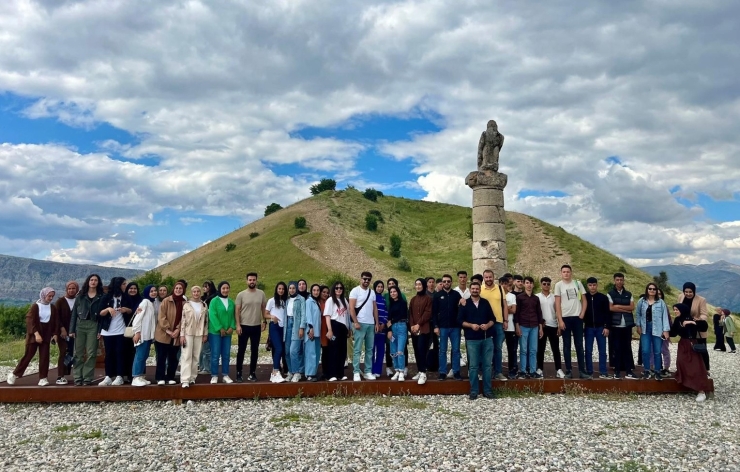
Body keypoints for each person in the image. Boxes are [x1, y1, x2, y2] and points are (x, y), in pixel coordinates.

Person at [7, 287, 58, 386]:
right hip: (34, 335)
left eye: (52, 296)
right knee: (28, 355)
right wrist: (36, 334)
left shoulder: (53, 308)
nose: (51, 298)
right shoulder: (35, 306)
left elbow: (55, 321)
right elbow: (30, 320)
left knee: (44, 357)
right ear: (44, 295)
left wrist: (55, 334)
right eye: (49, 296)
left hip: (46, 335)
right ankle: (14, 374)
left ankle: (43, 378)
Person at [457, 281, 495, 400]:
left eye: (477, 288)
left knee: (487, 366)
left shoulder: (485, 303)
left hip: (486, 338)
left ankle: (487, 391)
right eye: (473, 288)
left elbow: (492, 319)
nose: (475, 290)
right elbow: (459, 321)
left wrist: (488, 326)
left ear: (480, 290)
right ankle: (474, 391)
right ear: (470, 290)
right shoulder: (465, 304)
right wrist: (471, 325)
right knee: (473, 366)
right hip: (472, 339)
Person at [670, 303, 713, 402]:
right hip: (682, 344)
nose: (675, 312)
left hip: (691, 344)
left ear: (682, 310)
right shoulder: (677, 320)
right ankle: (687, 383)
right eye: (674, 310)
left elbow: (704, 327)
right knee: (681, 362)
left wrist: (693, 322)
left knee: (695, 366)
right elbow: (673, 332)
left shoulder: (691, 318)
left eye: (677, 310)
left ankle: (701, 391)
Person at [69, 274, 105, 386]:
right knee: (78, 353)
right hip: (80, 325)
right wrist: (71, 330)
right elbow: (74, 313)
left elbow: (102, 316)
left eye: (95, 280)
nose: (93, 282)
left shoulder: (101, 296)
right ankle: (78, 377)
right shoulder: (80, 296)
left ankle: (87, 378)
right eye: (91, 280)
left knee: (91, 353)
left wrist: (100, 330)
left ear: (98, 282)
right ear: (88, 281)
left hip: (93, 325)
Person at [554, 265, 588, 379]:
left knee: (579, 345)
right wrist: (560, 320)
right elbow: (557, 304)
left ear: (571, 273)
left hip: (577, 317)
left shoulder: (577, 283)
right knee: (566, 345)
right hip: (565, 318)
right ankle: (568, 370)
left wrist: (582, 313)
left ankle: (582, 371)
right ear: (561, 273)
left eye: (568, 272)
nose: (566, 274)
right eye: (564, 272)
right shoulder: (558, 285)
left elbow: (584, 300)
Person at [234, 272, 267, 382]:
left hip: (256, 326)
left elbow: (263, 308)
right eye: (250, 280)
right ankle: (239, 373)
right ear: (246, 281)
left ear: (256, 281)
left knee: (255, 350)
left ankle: (252, 373)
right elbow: (237, 311)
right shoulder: (241, 295)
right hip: (244, 326)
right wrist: (238, 325)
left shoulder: (261, 293)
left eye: (253, 280)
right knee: (241, 350)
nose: (252, 281)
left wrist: (264, 321)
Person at [97, 277, 129, 386]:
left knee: (120, 352)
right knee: (109, 354)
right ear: (118, 285)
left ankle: (120, 375)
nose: (125, 286)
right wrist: (108, 309)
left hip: (121, 330)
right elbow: (100, 313)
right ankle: (108, 376)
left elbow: (131, 310)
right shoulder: (106, 297)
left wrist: (126, 310)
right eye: (124, 284)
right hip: (108, 330)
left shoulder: (125, 297)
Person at [349, 272, 380, 381]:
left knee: (370, 349)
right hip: (360, 323)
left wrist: (377, 323)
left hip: (371, 323)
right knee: (357, 349)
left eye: (368, 279)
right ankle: (356, 372)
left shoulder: (372, 292)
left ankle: (367, 371)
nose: (366, 281)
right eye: (365, 279)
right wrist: (355, 322)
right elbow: (351, 308)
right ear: (361, 279)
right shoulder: (355, 291)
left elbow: (374, 308)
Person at [635, 283, 670, 380]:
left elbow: (664, 317)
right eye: (650, 288)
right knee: (645, 351)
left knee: (657, 351)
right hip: (645, 329)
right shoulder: (641, 301)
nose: (652, 290)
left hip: (657, 329)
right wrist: (638, 325)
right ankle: (646, 370)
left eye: (654, 289)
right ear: (647, 290)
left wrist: (665, 330)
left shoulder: (661, 302)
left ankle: (657, 371)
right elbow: (638, 314)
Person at [154, 281, 185, 385]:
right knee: (162, 357)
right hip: (163, 333)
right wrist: (168, 330)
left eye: (180, 288)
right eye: (176, 288)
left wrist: (177, 329)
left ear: (183, 290)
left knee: (173, 357)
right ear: (173, 289)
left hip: (176, 334)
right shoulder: (166, 301)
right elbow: (161, 317)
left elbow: (184, 319)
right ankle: (160, 377)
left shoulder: (185, 303)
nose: (178, 290)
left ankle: (170, 376)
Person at [433, 274, 463, 381]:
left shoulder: (456, 294)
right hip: (442, 327)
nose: (446, 283)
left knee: (456, 350)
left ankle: (456, 372)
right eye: (444, 281)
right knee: (442, 351)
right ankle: (442, 372)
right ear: (442, 283)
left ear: (451, 282)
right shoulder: (437, 295)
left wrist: (460, 323)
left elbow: (461, 309)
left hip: (455, 327)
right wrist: (436, 326)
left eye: (448, 281)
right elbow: (434, 312)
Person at [608, 273, 637, 380]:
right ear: (614, 281)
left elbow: (632, 307)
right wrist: (626, 309)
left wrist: (618, 306)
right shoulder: (610, 294)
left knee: (627, 348)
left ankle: (629, 371)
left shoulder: (628, 294)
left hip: (627, 325)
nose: (619, 282)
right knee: (616, 348)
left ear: (623, 281)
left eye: (621, 280)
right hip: (615, 325)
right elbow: (611, 308)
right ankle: (617, 372)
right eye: (617, 280)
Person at [479, 269, 507, 382]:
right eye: (486, 277)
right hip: (484, 323)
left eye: (490, 277)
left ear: (493, 277)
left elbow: (505, 305)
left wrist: (506, 320)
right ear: (483, 278)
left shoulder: (500, 289)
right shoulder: (479, 289)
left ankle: (498, 372)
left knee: (497, 348)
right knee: (483, 348)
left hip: (498, 322)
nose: (488, 279)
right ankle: (482, 372)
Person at [677, 282, 710, 375]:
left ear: (694, 291)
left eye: (690, 292)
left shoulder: (701, 300)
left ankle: (705, 369)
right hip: (686, 328)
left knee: (701, 348)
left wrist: (699, 319)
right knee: (687, 348)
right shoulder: (680, 297)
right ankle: (689, 369)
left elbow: (704, 314)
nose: (688, 294)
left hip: (697, 327)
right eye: (686, 291)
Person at [179, 286, 209, 388]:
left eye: (198, 291)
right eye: (194, 292)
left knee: (196, 356)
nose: (196, 293)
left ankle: (192, 377)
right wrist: (182, 335)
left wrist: (205, 333)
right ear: (191, 293)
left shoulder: (204, 305)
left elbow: (206, 321)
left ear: (200, 293)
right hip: (188, 332)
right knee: (187, 355)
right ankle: (185, 379)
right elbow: (183, 321)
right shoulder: (187, 305)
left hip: (199, 333)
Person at [515, 277, 543, 379]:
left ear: (533, 285)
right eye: (527, 283)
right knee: (523, 349)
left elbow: (539, 313)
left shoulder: (536, 298)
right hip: (523, 325)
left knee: (533, 350)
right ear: (524, 284)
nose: (529, 285)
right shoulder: (520, 297)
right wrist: (517, 326)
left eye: (531, 283)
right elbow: (517, 313)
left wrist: (540, 327)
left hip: (534, 326)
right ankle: (522, 371)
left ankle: (532, 371)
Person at [208, 281, 236, 384]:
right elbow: (212, 315)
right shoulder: (214, 301)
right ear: (220, 289)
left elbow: (233, 316)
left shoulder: (231, 302)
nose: (225, 290)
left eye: (227, 288)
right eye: (223, 288)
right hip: (215, 332)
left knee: (226, 354)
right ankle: (214, 375)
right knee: (215, 354)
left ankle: (225, 375)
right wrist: (220, 328)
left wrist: (232, 327)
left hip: (227, 333)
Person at [584, 277, 611, 379]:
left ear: (597, 285)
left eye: (594, 285)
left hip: (600, 328)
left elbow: (608, 314)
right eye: (590, 285)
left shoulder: (603, 298)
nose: (592, 287)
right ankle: (589, 371)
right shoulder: (584, 297)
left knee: (602, 351)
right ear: (587, 286)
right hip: (588, 327)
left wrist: (607, 327)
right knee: (588, 350)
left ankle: (603, 371)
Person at [536, 277, 563, 378]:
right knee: (541, 348)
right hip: (542, 326)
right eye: (544, 284)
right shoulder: (537, 297)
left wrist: (559, 325)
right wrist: (539, 324)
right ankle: (540, 368)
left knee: (555, 349)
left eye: (548, 284)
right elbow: (536, 312)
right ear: (541, 284)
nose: (546, 286)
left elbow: (558, 311)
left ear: (550, 285)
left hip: (553, 325)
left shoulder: (554, 297)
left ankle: (559, 369)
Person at [53, 281, 78, 385]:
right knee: (63, 352)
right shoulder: (60, 301)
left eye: (73, 288)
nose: (71, 290)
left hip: (76, 332)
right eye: (69, 288)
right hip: (62, 332)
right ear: (66, 289)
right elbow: (56, 317)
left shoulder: (78, 300)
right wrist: (62, 328)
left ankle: (71, 373)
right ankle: (60, 376)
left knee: (73, 353)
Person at [131, 285, 157, 387]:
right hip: (142, 334)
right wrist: (137, 332)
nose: (154, 292)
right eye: (151, 291)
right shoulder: (145, 302)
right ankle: (135, 377)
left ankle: (140, 376)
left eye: (155, 291)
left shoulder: (151, 303)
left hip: (148, 336)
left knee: (145, 355)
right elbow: (137, 318)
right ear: (147, 292)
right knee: (140, 356)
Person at [324, 282, 350, 381]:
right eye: (336, 288)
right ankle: (332, 374)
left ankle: (340, 373)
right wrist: (329, 330)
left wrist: (349, 328)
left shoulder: (344, 301)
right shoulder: (330, 300)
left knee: (342, 351)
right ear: (333, 289)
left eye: (340, 288)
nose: (338, 290)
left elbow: (347, 316)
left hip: (343, 327)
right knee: (333, 350)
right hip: (334, 325)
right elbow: (327, 316)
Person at [409, 278, 432, 385]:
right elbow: (410, 314)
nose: (418, 286)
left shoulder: (428, 299)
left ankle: (423, 372)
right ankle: (419, 370)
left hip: (424, 329)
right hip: (414, 329)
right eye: (416, 284)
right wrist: (412, 326)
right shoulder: (413, 299)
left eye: (420, 284)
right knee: (416, 350)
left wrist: (418, 324)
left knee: (422, 349)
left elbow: (428, 313)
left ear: (423, 286)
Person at [384, 278, 408, 376]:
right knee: (393, 350)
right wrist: (389, 330)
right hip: (393, 328)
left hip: (401, 326)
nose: (393, 293)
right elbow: (388, 318)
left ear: (398, 292)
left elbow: (403, 315)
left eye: (394, 291)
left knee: (400, 350)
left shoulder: (403, 303)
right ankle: (397, 370)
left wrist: (392, 321)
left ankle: (402, 371)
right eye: (391, 292)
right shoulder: (391, 304)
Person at [265, 282, 288, 383]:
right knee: (278, 348)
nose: (281, 290)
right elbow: (265, 314)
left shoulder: (286, 301)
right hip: (275, 326)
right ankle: (275, 372)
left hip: (284, 327)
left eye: (283, 289)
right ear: (276, 289)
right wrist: (272, 317)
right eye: (279, 289)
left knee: (282, 349)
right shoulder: (271, 301)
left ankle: (277, 371)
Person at [121, 282, 142, 382]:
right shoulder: (123, 299)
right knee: (126, 352)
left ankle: (135, 374)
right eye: (130, 288)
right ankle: (126, 374)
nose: (133, 290)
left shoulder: (141, 300)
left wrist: (130, 310)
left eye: (135, 288)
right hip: (124, 329)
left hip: (137, 329)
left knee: (136, 352)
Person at [286, 281, 307, 382]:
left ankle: (297, 372)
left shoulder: (301, 299)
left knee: (293, 351)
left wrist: (301, 327)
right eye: (290, 288)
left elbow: (303, 314)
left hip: (296, 325)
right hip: (287, 325)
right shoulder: (287, 300)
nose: (291, 290)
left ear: (296, 289)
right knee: (286, 351)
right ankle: (290, 371)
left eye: (293, 288)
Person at [500, 275, 518, 379]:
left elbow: (514, 310)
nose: (504, 286)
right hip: (500, 326)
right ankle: (497, 369)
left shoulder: (512, 296)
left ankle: (513, 369)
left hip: (510, 327)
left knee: (512, 350)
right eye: (503, 284)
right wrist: (507, 308)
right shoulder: (497, 296)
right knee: (497, 349)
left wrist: (504, 309)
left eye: (506, 284)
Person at [304, 284, 323, 382]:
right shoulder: (309, 301)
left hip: (317, 332)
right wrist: (310, 328)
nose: (316, 292)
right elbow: (308, 315)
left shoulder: (317, 302)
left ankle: (314, 372)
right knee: (310, 353)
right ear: (311, 291)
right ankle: (309, 374)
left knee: (316, 353)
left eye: (317, 290)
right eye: (314, 290)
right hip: (311, 331)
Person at [198, 280, 217, 375]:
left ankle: (207, 367)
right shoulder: (203, 298)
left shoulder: (213, 298)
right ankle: (201, 366)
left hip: (209, 324)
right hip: (202, 324)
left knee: (207, 349)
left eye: (206, 286)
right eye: (204, 286)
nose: (204, 288)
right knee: (201, 348)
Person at [372, 281, 388, 378]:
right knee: (372, 349)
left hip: (382, 328)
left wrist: (384, 323)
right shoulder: (372, 298)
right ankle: (371, 369)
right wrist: (375, 324)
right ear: (375, 287)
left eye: (381, 287)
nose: (380, 288)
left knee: (381, 350)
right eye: (378, 286)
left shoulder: (384, 299)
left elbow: (386, 312)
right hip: (373, 327)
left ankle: (378, 370)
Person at [318, 285, 331, 379]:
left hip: (327, 329)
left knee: (326, 351)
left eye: (327, 292)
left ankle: (326, 372)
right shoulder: (316, 302)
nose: (325, 294)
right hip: (318, 328)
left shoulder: (329, 302)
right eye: (324, 292)